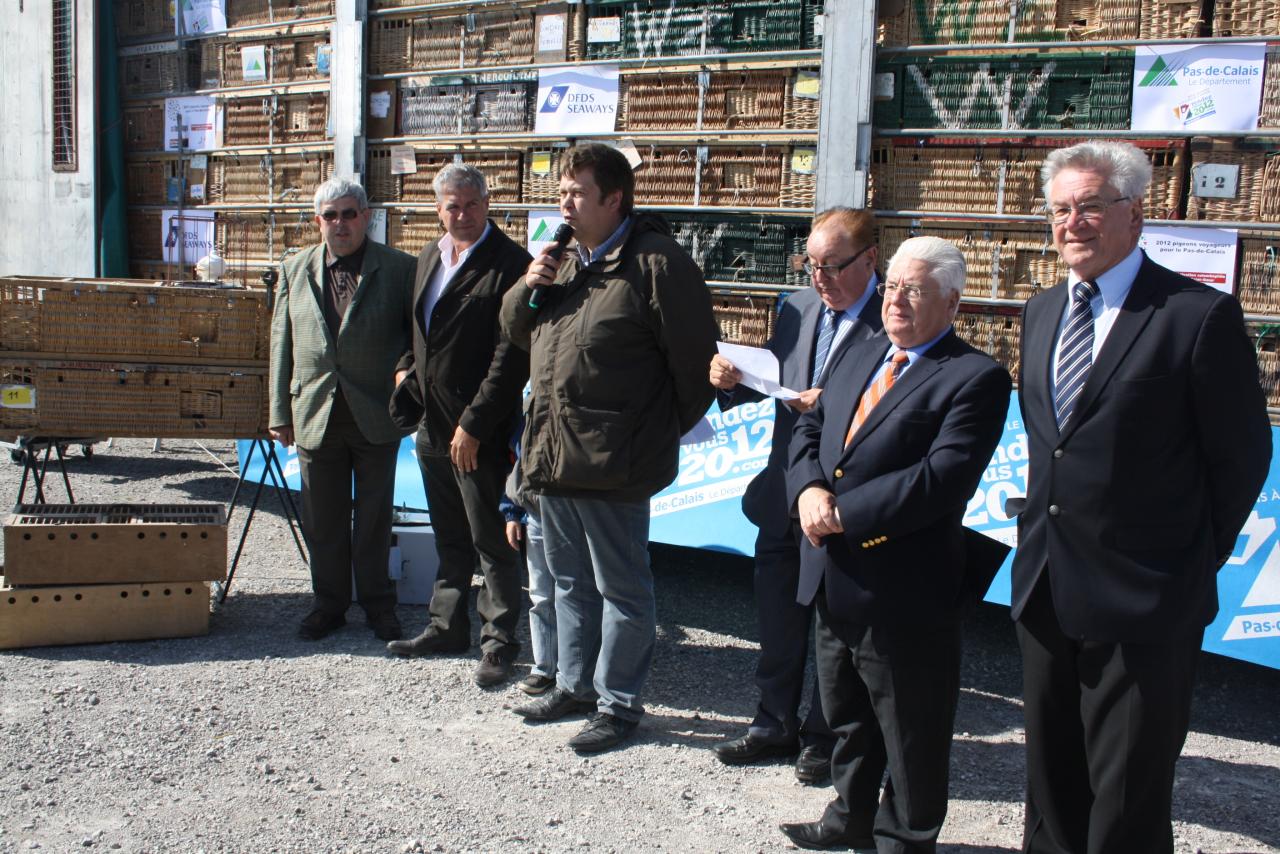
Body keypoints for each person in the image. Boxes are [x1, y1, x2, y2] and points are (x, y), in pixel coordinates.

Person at [1010, 140, 1270, 854]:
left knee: (1126, 801)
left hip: (1146, 600)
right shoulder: (1039, 313)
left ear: (1135, 214)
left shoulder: (1194, 316)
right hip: (1047, 588)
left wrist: (1185, 560)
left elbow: (1242, 457)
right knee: (1052, 787)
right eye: (1061, 209)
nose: (1073, 223)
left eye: (1092, 205)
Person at [781, 236, 1011, 852]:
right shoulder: (863, 352)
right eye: (892, 286)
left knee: (911, 732)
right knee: (848, 716)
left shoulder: (975, 378)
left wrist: (840, 513)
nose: (896, 300)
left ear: (952, 301)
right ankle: (848, 821)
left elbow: (940, 480)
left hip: (905, 587)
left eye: (915, 289)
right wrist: (806, 490)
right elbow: (812, 425)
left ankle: (905, 841)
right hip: (834, 575)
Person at [500, 143, 718, 753]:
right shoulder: (564, 260)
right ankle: (574, 685)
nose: (564, 205)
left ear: (614, 198)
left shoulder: (656, 263)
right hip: (551, 455)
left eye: (576, 193)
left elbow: (695, 372)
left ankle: (619, 704)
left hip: (614, 463)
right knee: (568, 581)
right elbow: (517, 331)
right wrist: (528, 285)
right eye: (561, 192)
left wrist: (642, 436)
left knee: (622, 589)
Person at [707, 206, 884, 784]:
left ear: (870, 260)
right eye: (810, 265)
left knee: (834, 631)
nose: (819, 278)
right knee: (778, 619)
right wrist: (732, 382)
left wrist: (826, 407)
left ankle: (821, 733)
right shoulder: (800, 306)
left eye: (832, 266)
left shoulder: (896, 317)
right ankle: (772, 721)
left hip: (841, 504)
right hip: (782, 493)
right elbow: (773, 381)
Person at [384, 164, 532, 688]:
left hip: (480, 429)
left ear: (488, 204)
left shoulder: (511, 264)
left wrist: (474, 424)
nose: (463, 214)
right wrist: (407, 367)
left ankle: (499, 643)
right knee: (449, 533)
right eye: (452, 205)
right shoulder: (429, 255)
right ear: (437, 208)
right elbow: (417, 328)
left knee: (491, 538)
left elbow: (512, 357)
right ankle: (446, 625)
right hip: (433, 423)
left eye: (472, 204)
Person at [268, 177, 416, 641]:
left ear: (366, 216)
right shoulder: (295, 268)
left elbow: (415, 341)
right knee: (322, 519)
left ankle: (377, 605)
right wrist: (278, 411)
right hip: (315, 411)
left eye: (349, 213)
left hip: (374, 413)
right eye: (330, 215)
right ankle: (329, 604)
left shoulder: (399, 269)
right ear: (318, 221)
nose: (340, 223)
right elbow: (282, 341)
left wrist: (408, 392)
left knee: (373, 520)